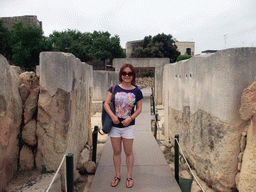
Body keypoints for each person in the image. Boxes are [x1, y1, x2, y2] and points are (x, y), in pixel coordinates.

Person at [103, 63, 143, 188]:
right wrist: (113, 116)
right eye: (124, 73)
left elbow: (139, 109)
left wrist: (130, 118)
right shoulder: (114, 88)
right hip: (115, 127)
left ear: (133, 76)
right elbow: (106, 104)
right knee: (116, 152)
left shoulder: (137, 91)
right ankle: (117, 175)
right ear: (121, 75)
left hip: (128, 127)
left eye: (129, 73)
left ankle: (129, 176)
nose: (127, 75)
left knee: (128, 152)